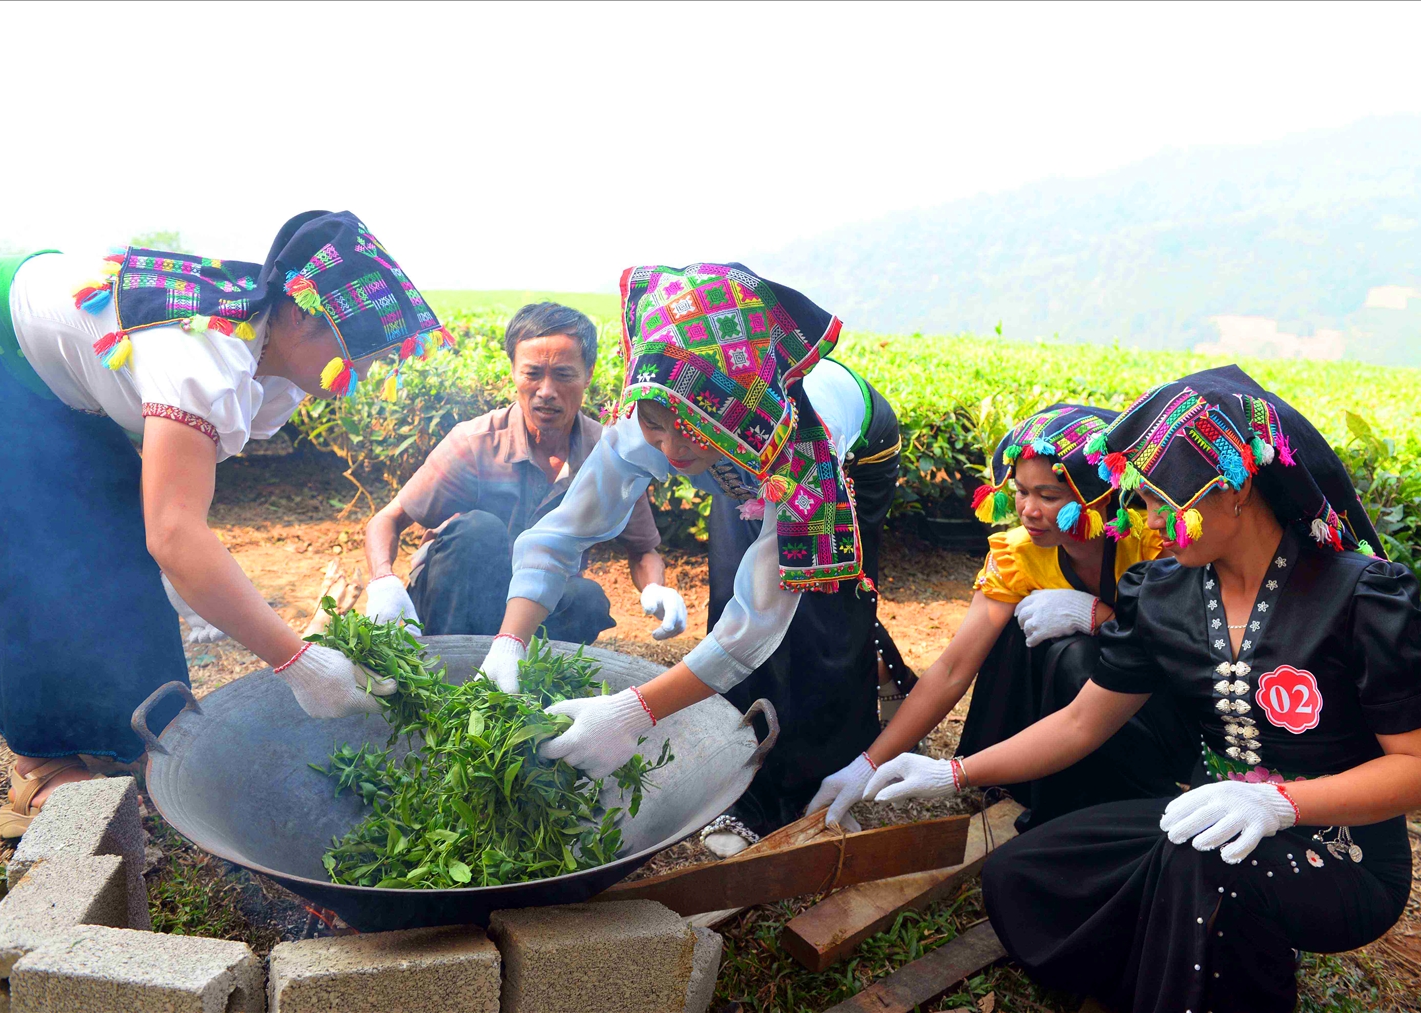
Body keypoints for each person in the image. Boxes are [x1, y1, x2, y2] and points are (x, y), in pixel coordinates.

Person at [862, 365, 1421, 1013]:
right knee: (1024, 871)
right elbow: (1082, 722)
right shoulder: (1165, 593)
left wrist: (1281, 803)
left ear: (1233, 490)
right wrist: (953, 770)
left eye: (1157, 498)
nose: (1145, 518)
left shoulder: (1360, 595)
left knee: (1199, 866)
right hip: (1209, 823)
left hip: (1342, 849)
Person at [0, 211, 453, 838]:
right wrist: (298, 662)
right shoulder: (203, 352)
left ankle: (123, 736)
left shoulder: (270, 356)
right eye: (358, 352)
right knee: (32, 553)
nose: (364, 375)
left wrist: (188, 576)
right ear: (301, 314)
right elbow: (173, 534)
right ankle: (37, 766)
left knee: (115, 556)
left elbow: (180, 517)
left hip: (59, 391)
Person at [483, 263, 903, 854]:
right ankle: (743, 790)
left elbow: (761, 619)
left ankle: (825, 776)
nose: (674, 451)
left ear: (734, 422)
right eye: (658, 428)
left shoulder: (801, 452)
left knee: (827, 615)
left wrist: (633, 712)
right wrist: (509, 642)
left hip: (842, 457)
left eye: (692, 433)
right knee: (732, 585)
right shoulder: (657, 416)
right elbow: (565, 531)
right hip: (740, 461)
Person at [808, 404, 1195, 832]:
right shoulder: (1019, 555)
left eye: (1048, 496)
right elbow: (955, 668)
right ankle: (1019, 779)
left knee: (1074, 655)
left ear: (1099, 496)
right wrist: (868, 763)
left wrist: (1100, 617)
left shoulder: (1154, 546)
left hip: (1153, 716)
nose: (1028, 510)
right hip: (1068, 724)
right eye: (1021, 491)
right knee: (1017, 631)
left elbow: (1179, 656)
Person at [361, 302, 667, 643]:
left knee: (586, 600)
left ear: (589, 373)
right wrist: (383, 581)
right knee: (479, 530)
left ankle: (529, 686)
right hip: (452, 604)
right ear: (513, 371)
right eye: (532, 373)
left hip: (537, 604)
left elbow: (643, 550)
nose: (546, 391)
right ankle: (440, 666)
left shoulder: (607, 454)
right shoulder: (474, 442)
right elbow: (387, 519)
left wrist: (655, 590)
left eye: (564, 375)